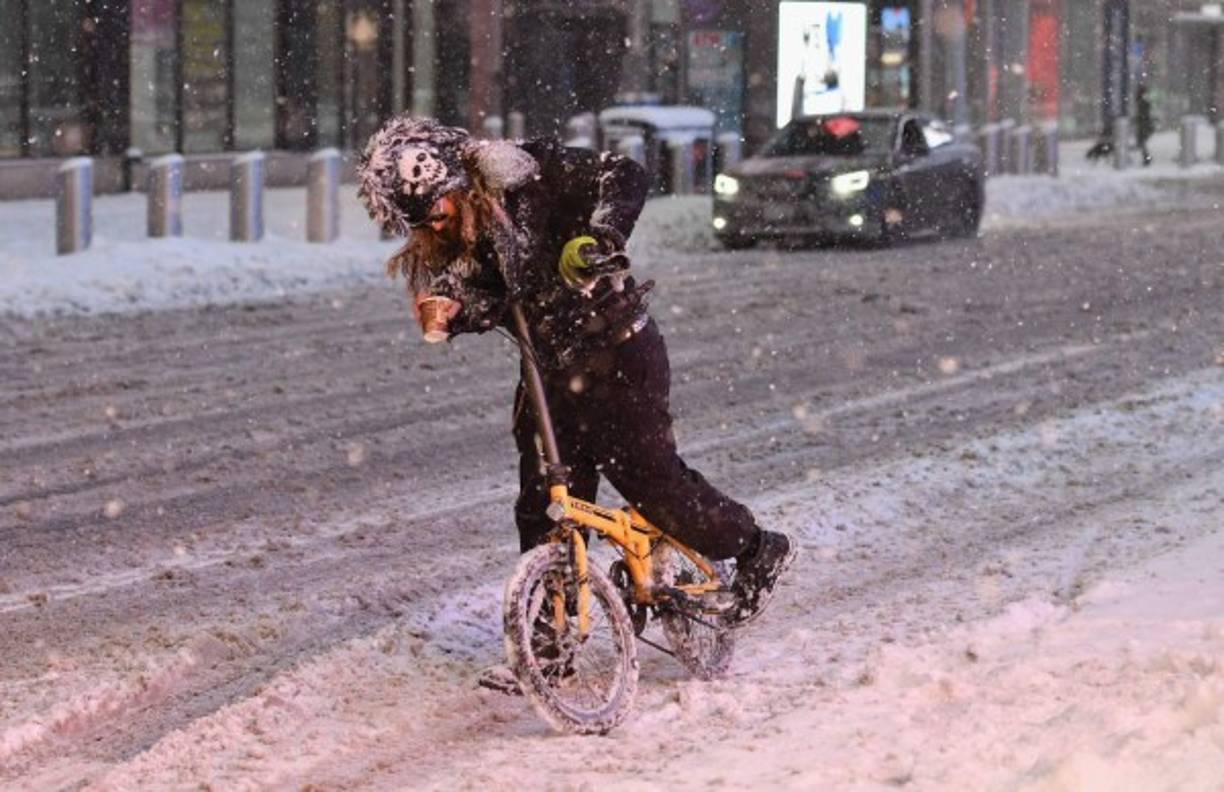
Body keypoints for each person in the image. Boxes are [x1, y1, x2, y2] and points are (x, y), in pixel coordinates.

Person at [357, 116, 796, 637]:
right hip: (549, 370)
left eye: (436, 208)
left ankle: (757, 547)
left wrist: (599, 239)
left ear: (456, 177)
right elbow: (491, 293)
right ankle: (551, 632)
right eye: (420, 221)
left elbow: (624, 172)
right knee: (545, 504)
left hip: (617, 351)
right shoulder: (458, 229)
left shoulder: (532, 174)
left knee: (653, 486)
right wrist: (455, 309)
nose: (435, 223)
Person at [1136, 82, 1154, 167]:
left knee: (1141, 143)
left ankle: (1147, 158)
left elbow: (1143, 115)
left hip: (1143, 126)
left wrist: (1138, 119)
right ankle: (1147, 158)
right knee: (1141, 143)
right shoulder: (1143, 102)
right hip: (1144, 126)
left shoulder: (1142, 102)